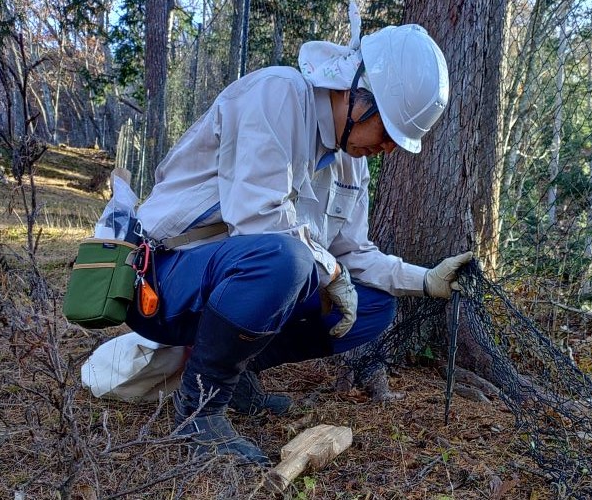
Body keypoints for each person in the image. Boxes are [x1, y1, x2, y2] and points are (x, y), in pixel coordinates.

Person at [126, 5, 471, 466]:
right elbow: (257, 219)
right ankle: (200, 407)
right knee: (285, 260)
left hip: (231, 283)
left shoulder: (352, 161)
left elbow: (354, 253)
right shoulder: (279, 95)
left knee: (373, 305)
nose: (388, 148)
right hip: (160, 276)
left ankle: (237, 371)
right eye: (388, 131)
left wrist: (425, 280)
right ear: (358, 94)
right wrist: (329, 269)